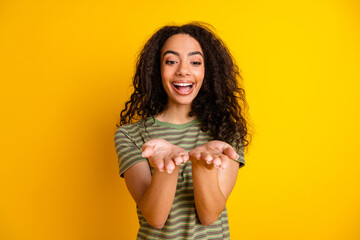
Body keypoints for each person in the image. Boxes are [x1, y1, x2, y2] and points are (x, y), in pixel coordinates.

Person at [114, 22, 250, 240]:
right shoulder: (130, 136)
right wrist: (168, 165)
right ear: (157, 69)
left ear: (208, 71)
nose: (183, 70)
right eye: (171, 61)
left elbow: (209, 216)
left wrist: (201, 165)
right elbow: (155, 218)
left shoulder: (225, 133)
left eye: (195, 62)